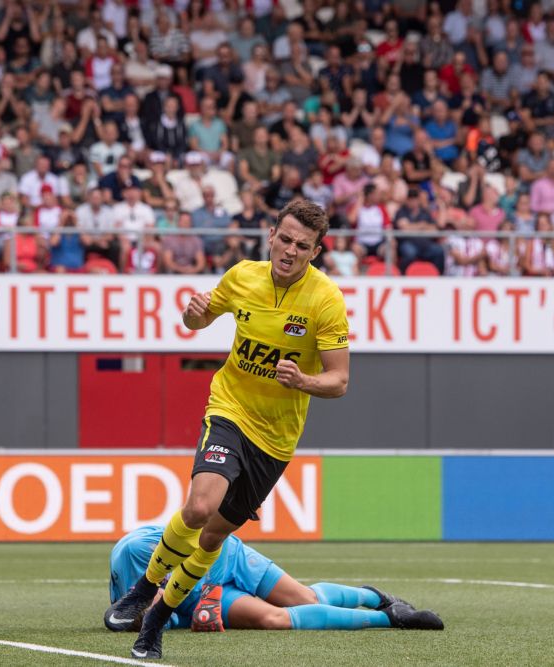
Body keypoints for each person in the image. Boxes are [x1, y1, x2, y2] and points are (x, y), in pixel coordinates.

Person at [106, 199, 351, 661]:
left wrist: (303, 381)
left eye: (303, 245)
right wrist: (194, 313)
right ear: (271, 235)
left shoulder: (326, 300)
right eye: (285, 239)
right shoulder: (242, 275)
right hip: (230, 409)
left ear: (316, 251)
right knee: (200, 507)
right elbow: (196, 320)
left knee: (214, 538)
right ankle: (143, 590)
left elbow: (339, 381)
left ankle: (157, 619)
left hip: (276, 439)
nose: (291, 251)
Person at [107, 525, 444, 633]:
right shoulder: (126, 589)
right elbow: (159, 619)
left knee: (305, 598)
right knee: (274, 619)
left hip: (228, 556)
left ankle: (372, 595)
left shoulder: (140, 548)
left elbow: (207, 535)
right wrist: (192, 619)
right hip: (198, 592)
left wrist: (206, 588)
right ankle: (389, 618)